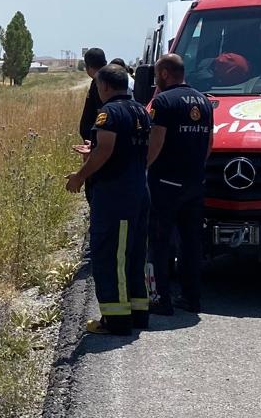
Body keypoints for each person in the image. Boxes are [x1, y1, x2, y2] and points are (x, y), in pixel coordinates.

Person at [66, 63, 151, 334]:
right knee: (134, 254)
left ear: (103, 86)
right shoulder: (140, 109)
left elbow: (106, 150)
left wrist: (80, 175)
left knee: (111, 256)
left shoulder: (108, 113)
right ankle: (138, 313)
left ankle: (116, 320)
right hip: (138, 190)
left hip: (115, 195)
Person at [146, 52, 213, 315]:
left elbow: (157, 141)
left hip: (166, 182)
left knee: (160, 241)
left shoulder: (162, 102)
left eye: (156, 75)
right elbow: (209, 144)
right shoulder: (204, 101)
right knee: (191, 243)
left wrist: (143, 167)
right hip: (195, 182)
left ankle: (161, 299)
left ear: (164, 74)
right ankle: (191, 297)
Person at [78, 48, 108, 142]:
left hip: (96, 139)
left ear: (88, 66)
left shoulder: (99, 83)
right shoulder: (106, 80)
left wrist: (97, 140)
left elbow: (102, 112)